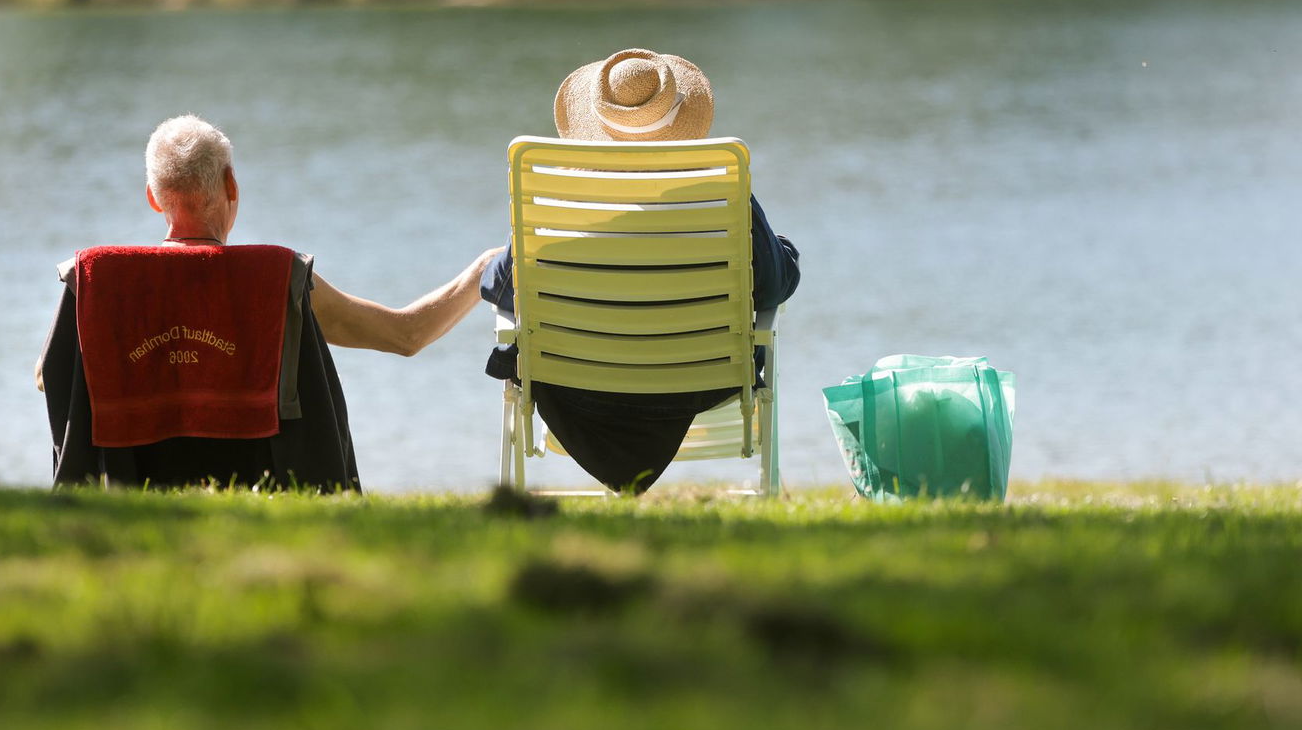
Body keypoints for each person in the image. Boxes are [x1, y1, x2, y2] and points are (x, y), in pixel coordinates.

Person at [39, 113, 500, 489]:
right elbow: (405, 334)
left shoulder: (101, 283)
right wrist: (484, 270)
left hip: (136, 477)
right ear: (231, 186)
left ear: (154, 200)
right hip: (265, 479)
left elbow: (49, 377)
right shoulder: (278, 280)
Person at [481, 48, 799, 494]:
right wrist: (784, 253)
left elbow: (498, 287)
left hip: (573, 387)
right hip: (698, 382)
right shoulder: (723, 195)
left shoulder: (555, 200)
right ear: (683, 119)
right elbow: (769, 289)